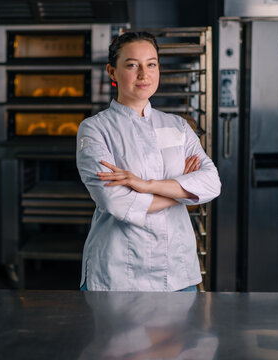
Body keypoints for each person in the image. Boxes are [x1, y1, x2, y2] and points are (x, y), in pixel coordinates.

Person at [76, 32, 221, 292]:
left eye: (151, 64)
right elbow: (115, 201)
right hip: (118, 274)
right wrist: (183, 193)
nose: (144, 74)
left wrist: (145, 184)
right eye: (132, 65)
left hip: (176, 270)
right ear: (112, 71)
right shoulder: (95, 129)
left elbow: (211, 183)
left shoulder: (178, 125)